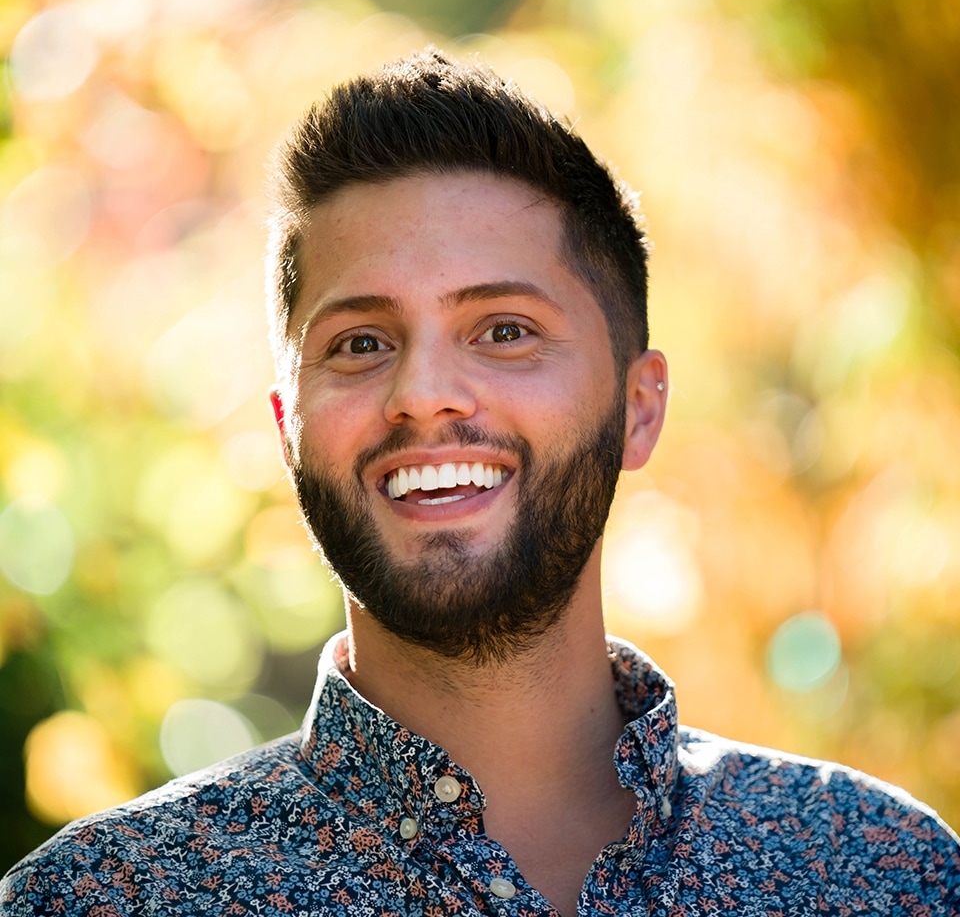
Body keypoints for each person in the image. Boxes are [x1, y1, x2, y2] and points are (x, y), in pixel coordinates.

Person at [2, 49, 958, 917]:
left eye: (504, 330)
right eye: (361, 343)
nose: (422, 396)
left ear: (640, 406)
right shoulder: (102, 899)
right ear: (288, 427)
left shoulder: (879, 875)